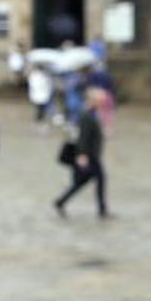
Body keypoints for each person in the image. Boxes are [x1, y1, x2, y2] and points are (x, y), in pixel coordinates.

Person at [54, 87, 110, 219]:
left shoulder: (91, 113)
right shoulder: (86, 115)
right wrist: (82, 156)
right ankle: (102, 210)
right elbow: (82, 137)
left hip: (91, 154)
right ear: (93, 100)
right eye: (101, 101)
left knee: (82, 182)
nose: (103, 103)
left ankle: (61, 201)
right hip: (88, 155)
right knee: (99, 179)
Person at [27, 64, 55, 132]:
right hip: (40, 96)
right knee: (41, 111)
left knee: (41, 111)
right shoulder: (37, 76)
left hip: (41, 96)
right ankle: (39, 123)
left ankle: (39, 122)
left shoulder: (42, 76)